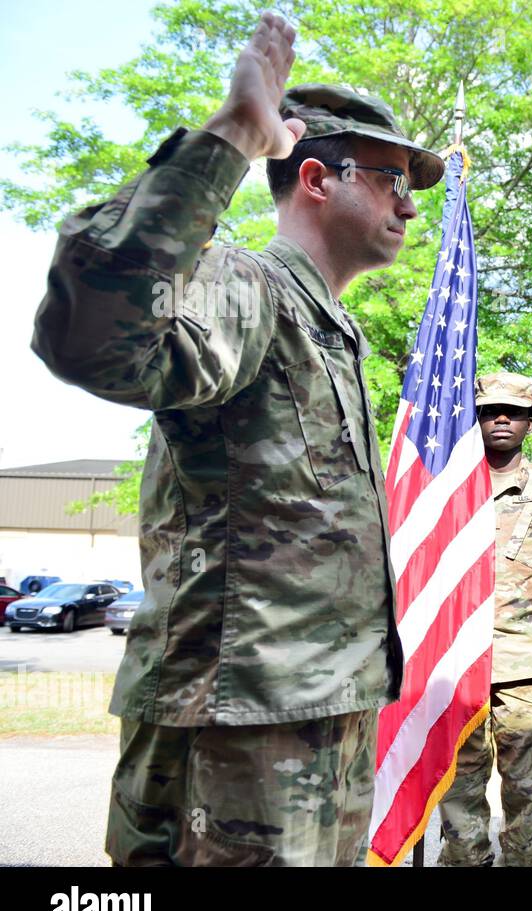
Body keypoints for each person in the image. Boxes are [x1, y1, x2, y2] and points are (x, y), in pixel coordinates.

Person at [30, 14, 445, 865]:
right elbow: (94, 341)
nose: (409, 204)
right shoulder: (249, 286)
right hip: (234, 726)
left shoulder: (333, 328)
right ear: (319, 179)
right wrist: (230, 139)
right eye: (393, 178)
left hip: (316, 713)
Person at [437, 372, 532, 866]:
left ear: (530, 421)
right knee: (456, 795)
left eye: (514, 412)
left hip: (526, 672)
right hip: (455, 668)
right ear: (475, 418)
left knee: (526, 803)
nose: (502, 419)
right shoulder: (442, 487)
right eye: (490, 411)